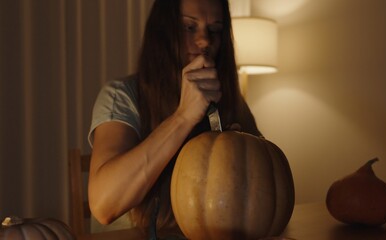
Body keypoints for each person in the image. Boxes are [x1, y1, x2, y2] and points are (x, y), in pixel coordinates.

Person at [88, 0, 261, 238]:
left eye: (215, 30)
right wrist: (183, 117)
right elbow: (104, 205)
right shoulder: (121, 95)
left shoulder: (230, 100)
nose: (204, 41)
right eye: (189, 27)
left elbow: (262, 187)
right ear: (162, 32)